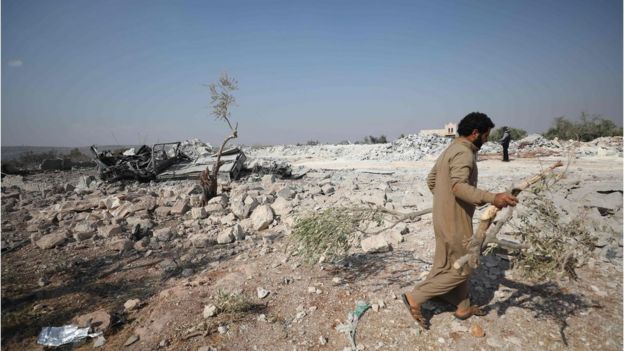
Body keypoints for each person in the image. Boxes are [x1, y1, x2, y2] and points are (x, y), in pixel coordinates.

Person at [401, 112, 518, 329]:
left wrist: (444, 202)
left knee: (446, 261)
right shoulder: (464, 153)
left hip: (442, 216)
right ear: (475, 133)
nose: (486, 140)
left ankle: (461, 305)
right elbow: (459, 187)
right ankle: (416, 297)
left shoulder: (451, 148)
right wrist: (493, 197)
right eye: (485, 135)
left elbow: (431, 180)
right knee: (466, 265)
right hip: (455, 219)